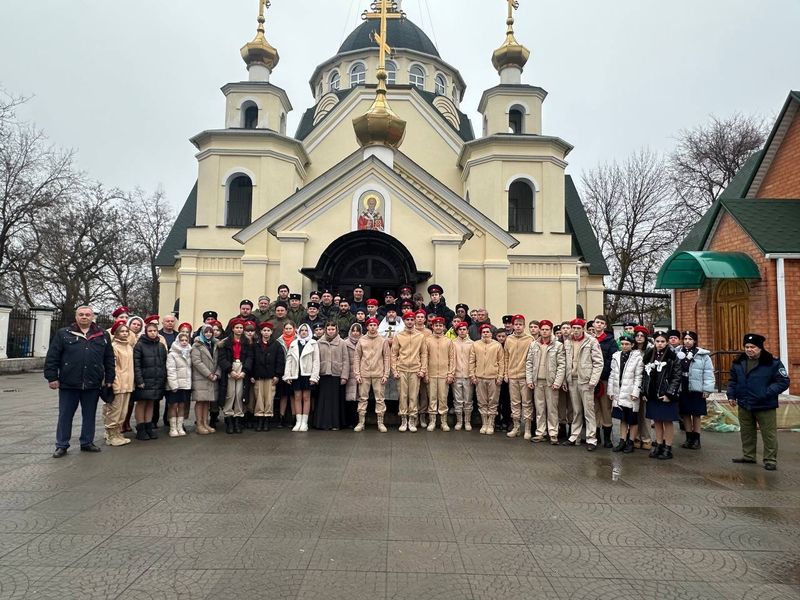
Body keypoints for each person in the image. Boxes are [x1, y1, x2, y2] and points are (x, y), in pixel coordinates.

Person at [727, 333, 790, 471]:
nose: (749, 349)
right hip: (744, 403)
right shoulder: (738, 361)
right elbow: (733, 380)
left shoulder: (772, 362)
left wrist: (766, 393)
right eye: (747, 347)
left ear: (760, 347)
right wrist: (731, 395)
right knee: (747, 432)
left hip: (765, 404)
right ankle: (748, 456)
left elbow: (783, 381)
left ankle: (770, 460)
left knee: (769, 434)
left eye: (753, 347)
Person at [562, 319, 604, 451]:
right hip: (572, 380)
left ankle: (591, 438)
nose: (575, 330)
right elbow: (565, 362)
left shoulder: (591, 341)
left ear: (583, 328)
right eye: (573, 327)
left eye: (578, 328)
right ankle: (575, 436)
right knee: (576, 410)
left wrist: (593, 380)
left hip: (586, 380)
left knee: (589, 411)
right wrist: (565, 380)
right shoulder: (567, 342)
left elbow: (598, 362)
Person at [642, 331, 682, 460]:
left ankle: (668, 447)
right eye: (657, 341)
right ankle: (659, 444)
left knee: (667, 421)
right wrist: (644, 391)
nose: (660, 344)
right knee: (657, 420)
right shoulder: (649, 354)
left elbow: (676, 376)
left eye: (662, 341)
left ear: (667, 342)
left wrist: (669, 394)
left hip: (665, 393)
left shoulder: (672, 356)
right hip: (653, 393)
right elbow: (644, 374)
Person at [525, 319, 566, 445]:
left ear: (551, 330)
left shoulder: (558, 346)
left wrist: (558, 382)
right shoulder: (534, 345)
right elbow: (529, 363)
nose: (544, 331)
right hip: (538, 381)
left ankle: (553, 433)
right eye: (542, 329)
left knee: (552, 409)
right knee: (540, 408)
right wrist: (530, 379)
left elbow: (561, 365)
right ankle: (540, 432)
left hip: (551, 382)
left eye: (547, 329)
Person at [677, 331, 714, 450]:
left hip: (696, 387)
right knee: (685, 413)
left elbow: (708, 373)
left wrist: (707, 389)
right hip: (683, 385)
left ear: (695, 341)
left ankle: (696, 439)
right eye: (685, 339)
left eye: (690, 339)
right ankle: (688, 438)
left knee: (696, 413)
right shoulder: (678, 353)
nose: (687, 341)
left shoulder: (702, 355)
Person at [391, 311, 428, 432]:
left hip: (415, 370)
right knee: (403, 395)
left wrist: (423, 369)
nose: (410, 322)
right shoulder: (398, 336)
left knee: (413, 396)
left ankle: (412, 419)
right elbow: (394, 354)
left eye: (412, 320)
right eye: (407, 320)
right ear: (404, 321)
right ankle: (403, 419)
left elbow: (424, 354)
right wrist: (394, 370)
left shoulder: (420, 336)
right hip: (401, 369)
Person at [133, 318, 168, 441]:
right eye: (150, 331)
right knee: (142, 403)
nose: (153, 333)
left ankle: (149, 426)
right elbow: (136, 364)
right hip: (144, 379)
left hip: (156, 380)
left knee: (151, 403)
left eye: (155, 331)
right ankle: (140, 428)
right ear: (146, 332)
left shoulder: (161, 346)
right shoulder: (140, 345)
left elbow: (164, 363)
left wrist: (163, 378)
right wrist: (139, 380)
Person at [608, 335, 644, 453]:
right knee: (622, 419)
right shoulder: (616, 356)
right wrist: (611, 391)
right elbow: (612, 375)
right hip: (619, 392)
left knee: (632, 419)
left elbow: (639, 376)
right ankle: (622, 440)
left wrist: (635, 392)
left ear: (632, 345)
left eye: (627, 344)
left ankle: (631, 442)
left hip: (630, 393)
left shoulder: (637, 358)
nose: (624, 346)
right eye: (622, 344)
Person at [217, 318, 253, 434]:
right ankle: (229, 419)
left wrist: (244, 371)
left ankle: (238, 418)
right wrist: (229, 370)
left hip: (241, 368)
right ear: (232, 329)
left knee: (239, 394)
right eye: (237, 327)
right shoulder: (225, 342)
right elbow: (221, 358)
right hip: (230, 368)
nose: (239, 330)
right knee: (230, 393)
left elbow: (249, 358)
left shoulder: (247, 342)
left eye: (241, 328)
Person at [354, 318, 391, 432]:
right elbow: (357, 357)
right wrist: (357, 374)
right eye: (370, 325)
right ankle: (361, 422)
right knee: (362, 398)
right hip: (364, 373)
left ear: (377, 326)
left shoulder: (383, 341)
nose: (373, 327)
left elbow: (387, 357)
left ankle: (381, 423)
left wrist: (386, 374)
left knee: (380, 399)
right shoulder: (361, 340)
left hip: (378, 373)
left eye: (375, 325)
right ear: (367, 327)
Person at [284, 323, 320, 432]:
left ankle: (305, 422)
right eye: (301, 330)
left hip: (307, 374)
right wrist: (288, 374)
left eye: (305, 330)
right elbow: (289, 360)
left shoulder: (313, 343)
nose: (303, 332)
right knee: (297, 397)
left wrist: (314, 376)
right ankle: (298, 421)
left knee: (306, 397)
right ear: (298, 332)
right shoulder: (294, 343)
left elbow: (316, 360)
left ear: (309, 332)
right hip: (296, 374)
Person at [313, 322, 350, 430]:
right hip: (323, 374)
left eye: (333, 329)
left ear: (336, 330)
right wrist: (316, 376)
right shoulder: (319, 342)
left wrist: (344, 376)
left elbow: (346, 360)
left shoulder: (342, 343)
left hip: (336, 374)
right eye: (328, 329)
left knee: (335, 401)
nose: (330, 331)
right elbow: (316, 359)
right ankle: (323, 423)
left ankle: (335, 424)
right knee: (323, 401)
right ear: (325, 330)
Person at [469, 323, 505, 435]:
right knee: (482, 401)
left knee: (493, 402)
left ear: (491, 333)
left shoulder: (497, 345)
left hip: (493, 378)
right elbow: (472, 361)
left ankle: (491, 423)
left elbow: (501, 362)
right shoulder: (475, 345)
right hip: (479, 377)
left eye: (487, 332)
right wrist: (472, 375)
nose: (485, 334)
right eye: (483, 332)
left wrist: (500, 376)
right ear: (481, 333)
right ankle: (484, 423)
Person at [251, 321, 285, 432]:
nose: (266, 333)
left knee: (269, 398)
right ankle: (260, 418)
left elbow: (280, 361)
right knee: (259, 397)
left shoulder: (276, 345)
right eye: (264, 330)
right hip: (258, 376)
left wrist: (277, 374)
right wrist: (251, 374)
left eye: (268, 331)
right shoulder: (255, 344)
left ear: (271, 332)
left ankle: (267, 420)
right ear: (261, 332)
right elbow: (251, 360)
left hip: (271, 377)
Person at [104, 319, 133, 447]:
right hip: (119, 383)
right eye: (122, 331)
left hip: (128, 383)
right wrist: (114, 382)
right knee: (114, 411)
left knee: (123, 411)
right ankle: (110, 434)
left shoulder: (128, 346)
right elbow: (112, 367)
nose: (125, 333)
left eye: (127, 331)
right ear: (116, 333)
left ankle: (118, 433)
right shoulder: (114, 347)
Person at [504, 315, 533, 439]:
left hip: (524, 376)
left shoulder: (530, 340)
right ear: (513, 325)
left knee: (527, 403)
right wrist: (506, 373)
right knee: (514, 402)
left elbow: (532, 359)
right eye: (516, 324)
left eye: (520, 324)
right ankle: (516, 427)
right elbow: (506, 357)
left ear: (524, 325)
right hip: (512, 376)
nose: (518, 326)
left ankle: (527, 428)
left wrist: (530, 376)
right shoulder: (509, 339)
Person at [424, 317, 455, 431]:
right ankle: (432, 421)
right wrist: (426, 373)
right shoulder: (427, 340)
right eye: (436, 325)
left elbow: (452, 358)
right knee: (432, 398)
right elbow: (425, 358)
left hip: (444, 374)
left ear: (443, 327)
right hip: (431, 374)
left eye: (440, 325)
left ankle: (443, 422)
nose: (438, 327)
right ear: (432, 326)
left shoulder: (448, 341)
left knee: (443, 398)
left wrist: (450, 373)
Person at [190, 324, 220, 435]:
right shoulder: (197, 345)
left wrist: (217, 373)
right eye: (206, 332)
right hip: (201, 377)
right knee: (200, 401)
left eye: (210, 332)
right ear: (202, 333)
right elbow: (197, 362)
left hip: (212, 377)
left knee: (207, 401)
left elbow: (218, 361)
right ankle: (199, 424)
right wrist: (209, 374)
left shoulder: (215, 344)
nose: (208, 334)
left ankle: (205, 422)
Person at [593, 314, 617, 448]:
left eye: (601, 323)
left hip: (604, 379)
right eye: (597, 322)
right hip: (591, 380)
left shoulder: (610, 341)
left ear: (605, 326)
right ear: (593, 324)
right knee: (594, 408)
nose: (599, 325)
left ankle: (607, 437)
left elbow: (611, 360)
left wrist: (601, 374)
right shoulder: (589, 340)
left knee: (606, 408)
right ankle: (596, 435)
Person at [165, 333, 193, 437]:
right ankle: (172, 428)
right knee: (173, 405)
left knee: (182, 405)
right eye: (182, 340)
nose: (184, 342)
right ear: (177, 341)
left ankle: (180, 426)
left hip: (185, 384)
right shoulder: (172, 354)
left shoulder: (189, 352)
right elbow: (171, 370)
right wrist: (174, 385)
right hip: (175, 385)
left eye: (186, 340)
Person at [631, 325, 653, 450]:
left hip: (645, 384)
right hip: (633, 384)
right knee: (634, 412)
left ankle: (646, 438)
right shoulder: (631, 349)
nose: (639, 338)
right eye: (637, 335)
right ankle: (636, 437)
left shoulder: (650, 350)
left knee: (644, 413)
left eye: (642, 336)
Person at [452, 321, 474, 431]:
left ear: (467, 331)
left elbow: (474, 361)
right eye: (460, 329)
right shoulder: (453, 343)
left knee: (468, 400)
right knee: (458, 400)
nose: (462, 331)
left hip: (468, 375)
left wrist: (472, 374)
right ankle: (459, 421)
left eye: (464, 329)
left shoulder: (472, 344)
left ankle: (467, 421)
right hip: (456, 375)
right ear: (457, 331)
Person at [275, 321, 297, 427]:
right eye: (286, 329)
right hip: (283, 371)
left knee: (293, 396)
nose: (288, 330)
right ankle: (281, 417)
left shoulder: (298, 340)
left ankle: (294, 418)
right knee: (283, 396)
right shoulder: (279, 341)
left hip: (294, 371)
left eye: (290, 328)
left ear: (294, 329)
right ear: (283, 330)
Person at [343, 323, 362, 428]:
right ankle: (349, 421)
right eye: (353, 331)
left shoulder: (363, 342)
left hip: (360, 374)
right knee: (349, 399)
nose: (355, 333)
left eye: (357, 331)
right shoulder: (345, 343)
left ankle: (358, 421)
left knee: (359, 398)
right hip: (349, 374)